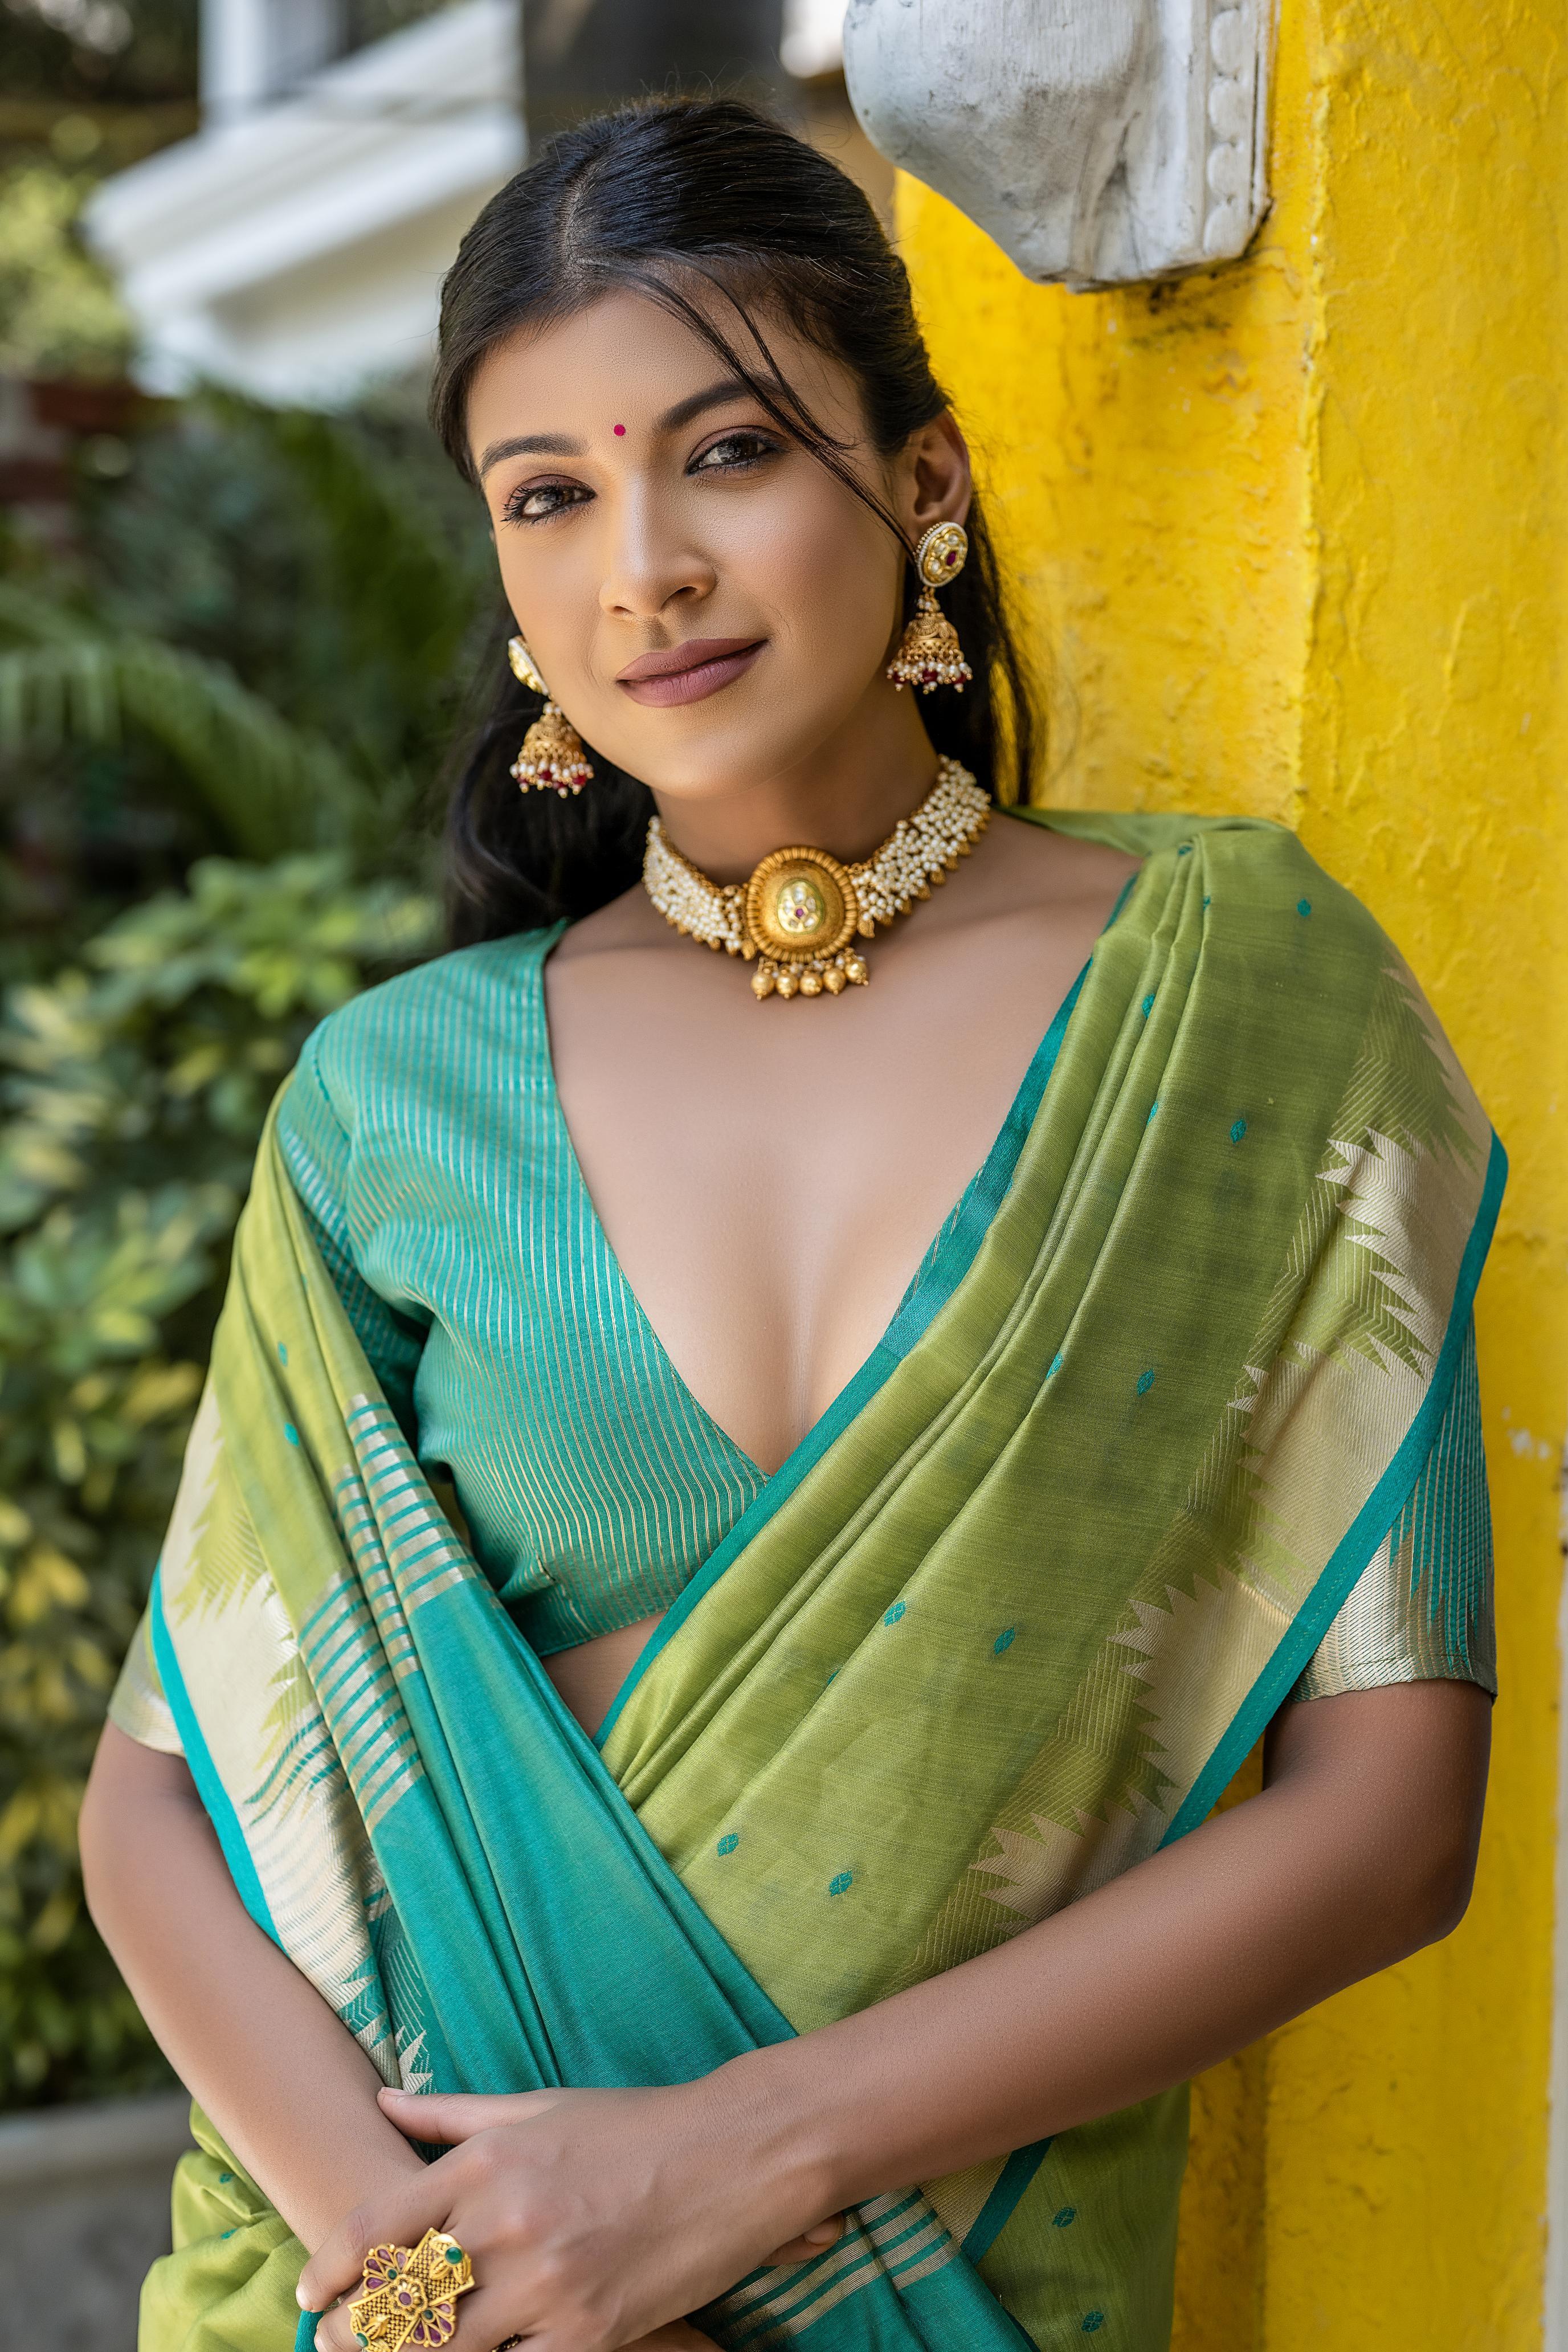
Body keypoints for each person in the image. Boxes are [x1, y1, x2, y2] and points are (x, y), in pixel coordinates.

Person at [79, 98, 1501, 2352]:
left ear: (919, 479)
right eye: (547, 495)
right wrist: (423, 2259)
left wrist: (730, 2168)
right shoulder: (397, 1094)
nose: (639, 564)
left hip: (936, 2278)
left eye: (726, 454)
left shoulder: (1234, 1002)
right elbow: (162, 1795)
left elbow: (1392, 1811)